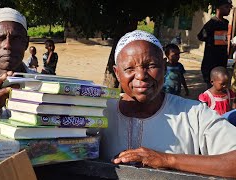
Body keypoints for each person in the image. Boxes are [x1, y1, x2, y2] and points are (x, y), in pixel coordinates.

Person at [101, 30, 236, 178]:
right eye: (129, 68)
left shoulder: (193, 113)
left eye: (151, 65)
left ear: (164, 67)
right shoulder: (99, 113)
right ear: (117, 72)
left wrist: (167, 160)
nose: (141, 75)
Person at [197, 0, 232, 88]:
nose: (229, 10)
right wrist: (211, 41)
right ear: (218, 8)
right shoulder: (211, 24)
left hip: (222, 60)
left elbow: (224, 40)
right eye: (227, 7)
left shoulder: (225, 23)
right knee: (212, 85)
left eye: (230, 7)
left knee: (221, 84)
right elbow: (200, 36)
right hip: (211, 61)